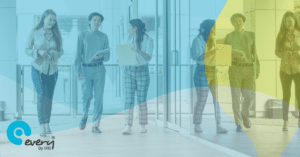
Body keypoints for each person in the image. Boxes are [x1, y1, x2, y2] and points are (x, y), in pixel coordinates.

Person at [25, 9, 63, 137]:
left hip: (52, 70)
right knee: (41, 96)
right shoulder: (34, 32)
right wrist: (38, 52)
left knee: (48, 98)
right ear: (43, 19)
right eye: (49, 19)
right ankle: (41, 125)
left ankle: (47, 124)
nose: (52, 22)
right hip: (37, 68)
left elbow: (61, 51)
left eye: (54, 20)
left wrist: (54, 54)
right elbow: (27, 49)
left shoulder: (56, 34)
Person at [74, 12, 110, 133]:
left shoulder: (104, 36)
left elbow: (108, 56)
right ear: (89, 21)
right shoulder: (82, 35)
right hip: (85, 69)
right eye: (94, 20)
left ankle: (95, 125)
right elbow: (78, 54)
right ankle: (84, 115)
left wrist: (102, 56)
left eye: (99, 20)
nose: (97, 22)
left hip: (99, 69)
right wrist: (77, 70)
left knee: (99, 97)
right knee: (87, 96)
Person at [224, 13, 260, 132]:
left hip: (249, 69)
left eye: (240, 21)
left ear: (243, 22)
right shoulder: (229, 37)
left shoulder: (251, 35)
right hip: (235, 69)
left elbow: (255, 54)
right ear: (232, 23)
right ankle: (238, 122)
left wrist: (257, 69)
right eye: (235, 21)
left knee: (250, 97)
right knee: (236, 97)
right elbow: (223, 56)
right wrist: (234, 54)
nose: (238, 23)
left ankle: (244, 114)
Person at [191, 19, 228, 133]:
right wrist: (213, 51)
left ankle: (218, 125)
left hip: (214, 71)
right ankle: (197, 124)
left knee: (217, 100)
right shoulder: (198, 40)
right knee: (202, 99)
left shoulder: (217, 40)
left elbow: (223, 59)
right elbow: (198, 58)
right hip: (202, 71)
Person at [121, 19, 153, 135]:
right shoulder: (127, 38)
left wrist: (138, 51)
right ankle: (127, 126)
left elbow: (149, 57)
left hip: (142, 71)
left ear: (135, 28)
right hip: (129, 71)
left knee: (141, 99)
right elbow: (124, 54)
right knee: (129, 100)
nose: (128, 29)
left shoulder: (148, 40)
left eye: (129, 27)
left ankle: (142, 124)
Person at [275, 11, 300, 131]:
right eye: (285, 21)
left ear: (295, 21)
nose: (288, 23)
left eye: (290, 21)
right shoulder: (281, 35)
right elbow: (276, 52)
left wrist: (298, 53)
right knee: (286, 95)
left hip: (298, 68)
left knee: (299, 95)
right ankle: (285, 121)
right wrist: (284, 54)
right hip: (285, 69)